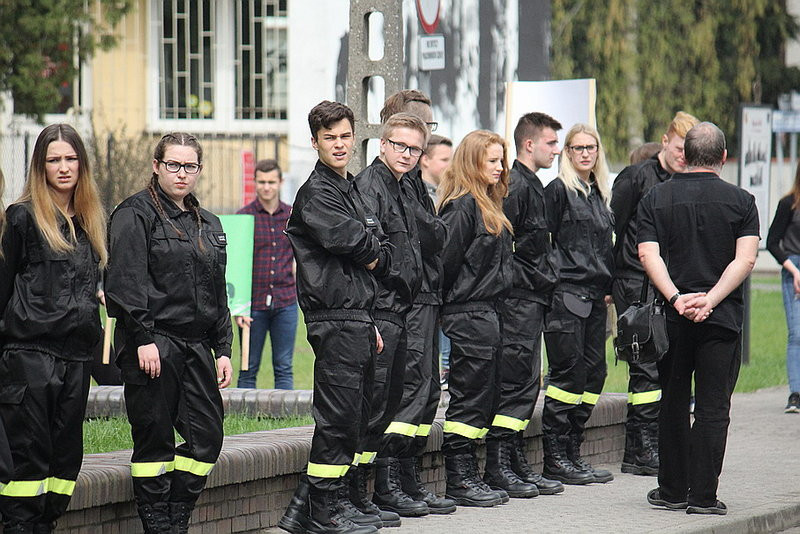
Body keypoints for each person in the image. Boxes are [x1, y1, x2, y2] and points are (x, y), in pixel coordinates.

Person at [105, 132, 234, 533]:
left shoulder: (208, 223)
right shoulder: (134, 214)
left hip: (196, 345)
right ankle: (157, 522)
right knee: (154, 440)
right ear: (156, 166)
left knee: (207, 437)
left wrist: (223, 348)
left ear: (199, 170)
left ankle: (177, 515)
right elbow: (125, 282)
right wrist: (142, 339)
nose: (181, 174)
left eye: (189, 166)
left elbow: (217, 291)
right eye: (173, 165)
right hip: (153, 342)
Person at [279, 101, 392, 534]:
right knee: (338, 417)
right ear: (315, 143)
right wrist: (372, 250)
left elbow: (375, 239)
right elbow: (354, 241)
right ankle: (324, 513)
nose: (339, 144)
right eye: (330, 138)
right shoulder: (318, 192)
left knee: (356, 416)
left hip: (356, 315)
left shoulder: (349, 188)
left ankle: (313, 509)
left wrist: (370, 318)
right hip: (334, 316)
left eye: (345, 136)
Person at [639, 121, 759, 515]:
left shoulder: (656, 197)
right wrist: (711, 299)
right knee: (712, 406)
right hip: (721, 319)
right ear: (723, 157)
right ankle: (704, 496)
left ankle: (672, 490)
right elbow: (745, 260)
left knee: (673, 401)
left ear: (685, 155)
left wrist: (676, 298)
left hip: (671, 319)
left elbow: (648, 255)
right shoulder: (742, 201)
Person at [0, 124, 108, 534]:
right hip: (29, 359)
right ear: (40, 167)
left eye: (70, 158)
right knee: (27, 461)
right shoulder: (22, 218)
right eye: (54, 160)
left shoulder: (90, 221)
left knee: (64, 464)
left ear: (82, 164)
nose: (63, 167)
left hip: (75, 360)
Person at [374, 90, 452, 514]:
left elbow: (435, 236)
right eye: (424, 126)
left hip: (425, 296)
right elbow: (424, 235)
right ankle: (389, 483)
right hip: (405, 300)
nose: (426, 138)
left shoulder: (412, 183)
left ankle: (409, 478)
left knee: (425, 392)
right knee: (407, 392)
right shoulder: (381, 184)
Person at [611, 111, 699, 476]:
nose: (683, 157)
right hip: (635, 282)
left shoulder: (687, 181)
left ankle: (653, 444)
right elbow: (614, 228)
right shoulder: (637, 177)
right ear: (665, 141)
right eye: (679, 149)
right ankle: (640, 448)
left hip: (671, 285)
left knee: (667, 365)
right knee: (644, 364)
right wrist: (610, 281)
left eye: (689, 152)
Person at [483, 112, 564, 498]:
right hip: (517, 301)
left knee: (527, 385)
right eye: (551, 142)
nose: (556, 150)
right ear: (529, 144)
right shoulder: (515, 187)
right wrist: (523, 283)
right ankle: (499, 466)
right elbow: (502, 248)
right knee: (515, 384)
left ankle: (515, 462)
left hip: (532, 299)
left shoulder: (534, 185)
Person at [353, 113, 427, 519]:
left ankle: (371, 494)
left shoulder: (401, 186)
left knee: (387, 405)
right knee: (371, 406)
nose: (407, 154)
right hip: (380, 309)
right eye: (400, 145)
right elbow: (368, 254)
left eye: (414, 148)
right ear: (382, 144)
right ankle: (356, 496)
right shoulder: (371, 186)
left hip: (399, 310)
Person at [438, 130, 513, 507]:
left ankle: (471, 473)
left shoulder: (489, 203)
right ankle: (459, 478)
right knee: (469, 396)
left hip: (487, 313)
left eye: (502, 160)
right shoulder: (462, 207)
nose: (500, 168)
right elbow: (445, 265)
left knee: (485, 396)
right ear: (472, 162)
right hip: (467, 313)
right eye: (492, 161)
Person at [541, 123, 615, 486]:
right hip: (567, 295)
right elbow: (543, 242)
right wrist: (555, 281)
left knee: (594, 374)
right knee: (567, 376)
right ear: (567, 153)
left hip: (596, 297)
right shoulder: (558, 191)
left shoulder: (600, 192)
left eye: (591, 147)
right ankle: (555, 457)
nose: (585, 153)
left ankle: (572, 449)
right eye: (578, 148)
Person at [234, 159, 297, 390]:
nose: (267, 187)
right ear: (255, 183)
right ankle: (243, 410)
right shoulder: (244, 217)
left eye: (271, 182)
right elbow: (236, 265)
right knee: (248, 368)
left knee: (284, 367)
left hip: (286, 302)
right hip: (253, 306)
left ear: (280, 182)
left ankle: (286, 412)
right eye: (261, 182)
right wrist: (239, 308)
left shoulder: (292, 216)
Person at [419, 135, 454, 387]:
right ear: (425, 160)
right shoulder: (420, 197)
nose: (450, 166)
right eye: (444, 160)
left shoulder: (449, 196)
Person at [767, 162, 800, 413]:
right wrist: (794, 271)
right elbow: (773, 242)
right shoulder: (788, 204)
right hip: (794, 269)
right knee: (797, 334)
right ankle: (795, 393)